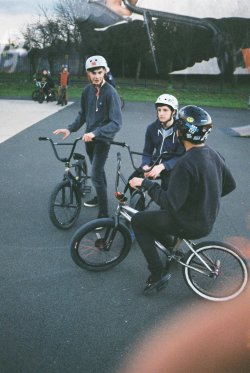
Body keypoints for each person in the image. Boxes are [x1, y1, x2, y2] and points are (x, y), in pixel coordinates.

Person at [129, 105, 236, 294]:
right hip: (206, 217)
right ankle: (172, 248)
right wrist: (205, 198)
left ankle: (157, 273)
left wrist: (146, 185)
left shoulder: (184, 163)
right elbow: (229, 185)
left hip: (190, 223)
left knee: (139, 221)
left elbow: (169, 202)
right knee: (156, 219)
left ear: (180, 133)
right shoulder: (213, 154)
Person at [53, 55, 122, 220]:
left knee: (96, 173)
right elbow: (83, 114)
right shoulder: (87, 91)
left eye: (99, 72)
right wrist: (70, 129)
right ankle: (100, 197)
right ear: (88, 74)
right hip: (88, 139)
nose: (96, 76)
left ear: (105, 72)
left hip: (102, 139)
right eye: (93, 73)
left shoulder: (111, 93)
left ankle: (104, 214)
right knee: (98, 172)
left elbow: (116, 123)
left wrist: (95, 133)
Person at [129, 94, 185, 194]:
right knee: (132, 180)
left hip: (171, 167)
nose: (161, 113)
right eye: (159, 110)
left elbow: (181, 156)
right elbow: (147, 151)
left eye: (165, 110)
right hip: (154, 163)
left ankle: (165, 207)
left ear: (174, 112)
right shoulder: (151, 128)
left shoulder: (180, 130)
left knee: (166, 189)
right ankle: (138, 204)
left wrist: (162, 166)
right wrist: (145, 165)